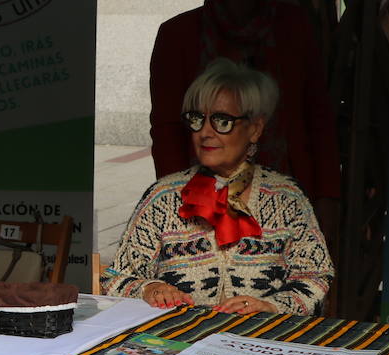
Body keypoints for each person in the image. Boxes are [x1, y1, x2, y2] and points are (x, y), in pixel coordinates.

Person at [147, 0, 341, 233]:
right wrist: (181, 202)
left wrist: (328, 197)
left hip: (287, 194)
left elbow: (317, 118)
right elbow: (167, 129)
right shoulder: (177, 35)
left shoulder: (294, 27)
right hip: (204, 196)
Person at [102, 58, 333, 315]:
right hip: (180, 339)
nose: (205, 132)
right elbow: (116, 279)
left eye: (222, 121)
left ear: (255, 129)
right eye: (197, 119)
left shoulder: (286, 198)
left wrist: (271, 305)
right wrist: (150, 288)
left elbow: (316, 276)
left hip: (260, 340)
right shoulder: (163, 197)